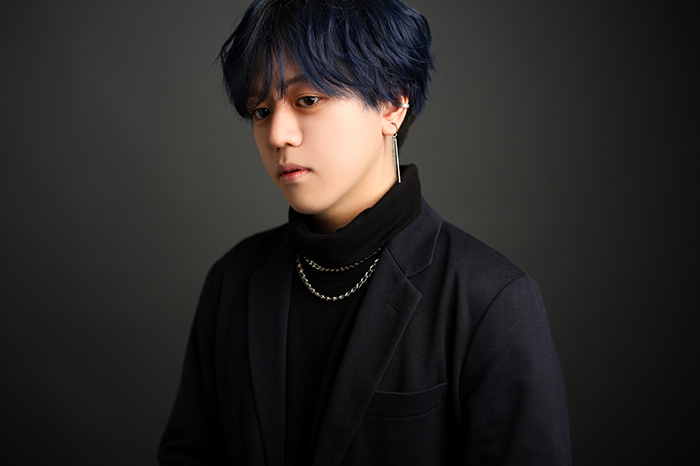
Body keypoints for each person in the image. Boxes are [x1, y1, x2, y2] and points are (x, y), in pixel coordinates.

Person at [158, 0, 571, 464]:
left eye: (307, 100)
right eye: (260, 110)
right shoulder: (233, 280)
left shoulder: (490, 299)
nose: (277, 134)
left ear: (392, 103)